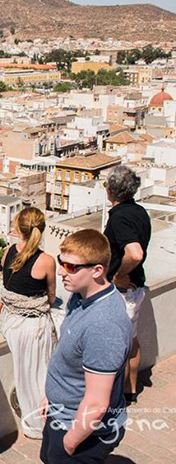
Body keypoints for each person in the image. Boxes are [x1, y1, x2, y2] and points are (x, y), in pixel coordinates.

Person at [40, 230, 130, 463]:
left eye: (70, 267)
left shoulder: (104, 325)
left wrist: (69, 444)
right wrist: (51, 396)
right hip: (61, 414)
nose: (61, 271)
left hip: (83, 430)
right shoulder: (80, 296)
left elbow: (97, 404)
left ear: (97, 271)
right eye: (61, 263)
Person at [0, 207, 57, 439]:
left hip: (10, 321)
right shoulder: (46, 261)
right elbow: (52, 297)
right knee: (42, 373)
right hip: (30, 326)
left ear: (18, 229)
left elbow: (8, 288)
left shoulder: (8, 253)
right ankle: (43, 421)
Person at [103, 165, 151, 404]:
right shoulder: (140, 211)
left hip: (122, 292)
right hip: (137, 287)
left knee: (114, 344)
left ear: (110, 190)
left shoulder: (120, 217)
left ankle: (113, 395)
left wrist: (119, 274)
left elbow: (135, 252)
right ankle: (130, 389)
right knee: (131, 341)